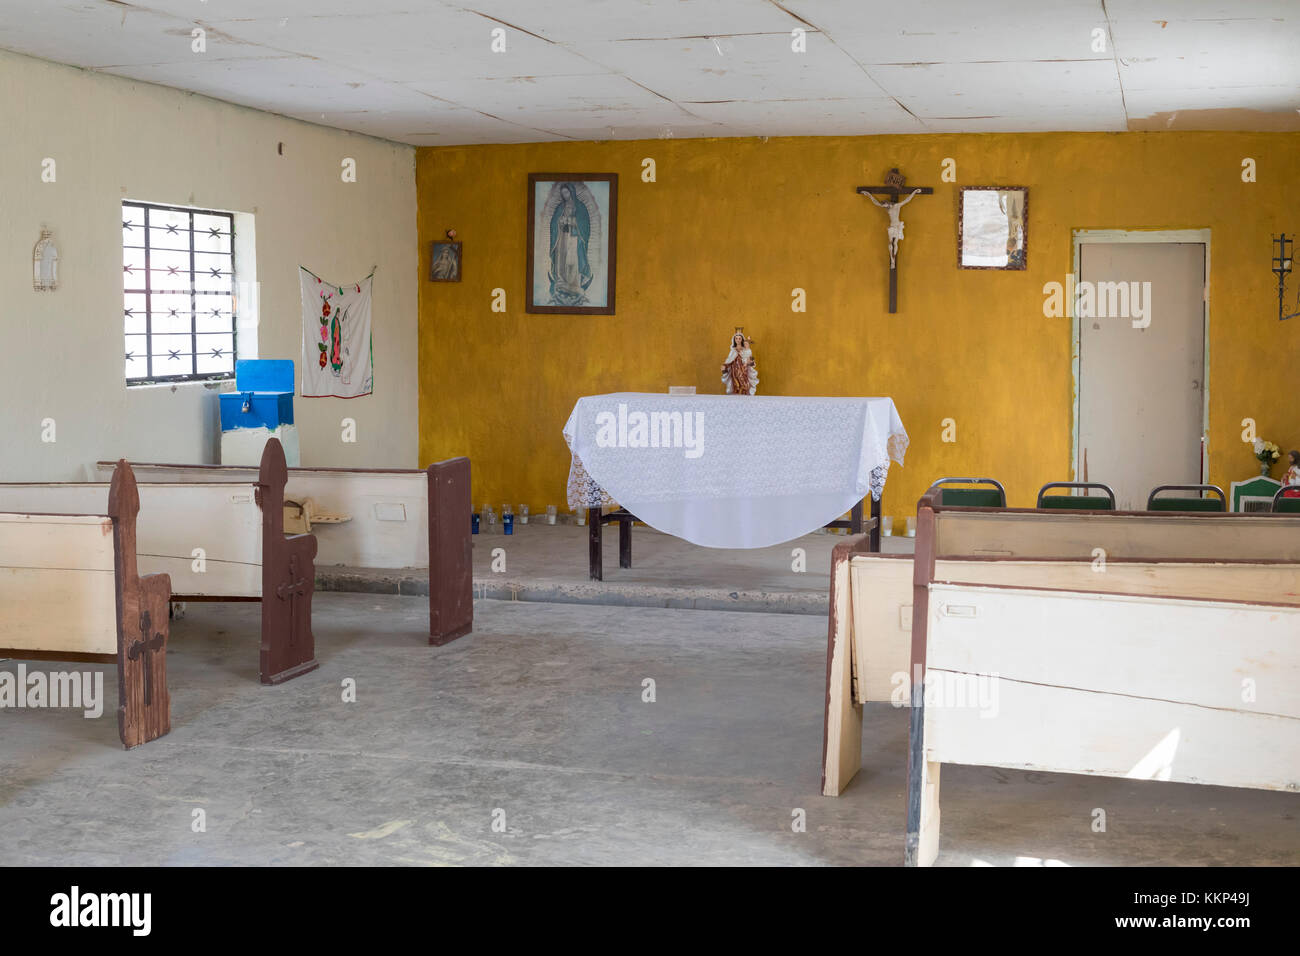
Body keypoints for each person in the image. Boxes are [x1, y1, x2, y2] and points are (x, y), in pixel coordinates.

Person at [721, 330, 758, 395]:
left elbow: (750, 358)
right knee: (736, 384)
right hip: (734, 369)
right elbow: (729, 360)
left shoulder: (745, 349)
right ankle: (737, 395)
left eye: (739, 338)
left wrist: (750, 361)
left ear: (742, 339)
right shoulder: (733, 350)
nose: (738, 340)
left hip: (743, 369)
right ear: (734, 340)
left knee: (744, 383)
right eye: (736, 338)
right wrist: (725, 366)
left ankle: (744, 395)